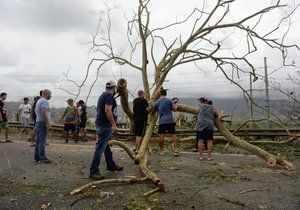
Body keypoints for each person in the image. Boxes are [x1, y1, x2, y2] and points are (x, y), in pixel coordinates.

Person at [89, 80, 123, 180]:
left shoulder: (104, 95)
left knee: (107, 146)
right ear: (114, 88)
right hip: (105, 126)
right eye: (116, 89)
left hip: (102, 124)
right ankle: (93, 171)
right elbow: (107, 110)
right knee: (100, 148)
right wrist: (113, 125)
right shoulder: (109, 96)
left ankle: (110, 164)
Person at [152, 89, 179, 156]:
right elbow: (174, 109)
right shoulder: (169, 100)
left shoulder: (157, 102)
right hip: (170, 120)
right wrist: (176, 104)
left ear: (160, 94)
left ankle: (161, 151)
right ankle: (175, 151)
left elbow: (152, 113)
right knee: (173, 135)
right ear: (165, 94)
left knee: (161, 135)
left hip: (162, 121)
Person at [34, 89, 52, 163]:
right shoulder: (44, 101)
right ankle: (42, 159)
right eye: (50, 94)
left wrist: (38, 117)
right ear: (46, 94)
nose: (51, 96)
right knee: (42, 141)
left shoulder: (39, 100)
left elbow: (35, 110)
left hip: (38, 122)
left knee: (38, 140)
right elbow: (43, 112)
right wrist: (47, 123)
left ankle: (37, 157)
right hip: (42, 123)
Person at [133, 90, 151, 154]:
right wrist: (149, 105)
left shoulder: (135, 100)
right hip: (142, 119)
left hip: (136, 119)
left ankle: (135, 147)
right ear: (142, 94)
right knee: (141, 135)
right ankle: (138, 149)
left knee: (137, 134)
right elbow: (148, 109)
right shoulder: (144, 100)